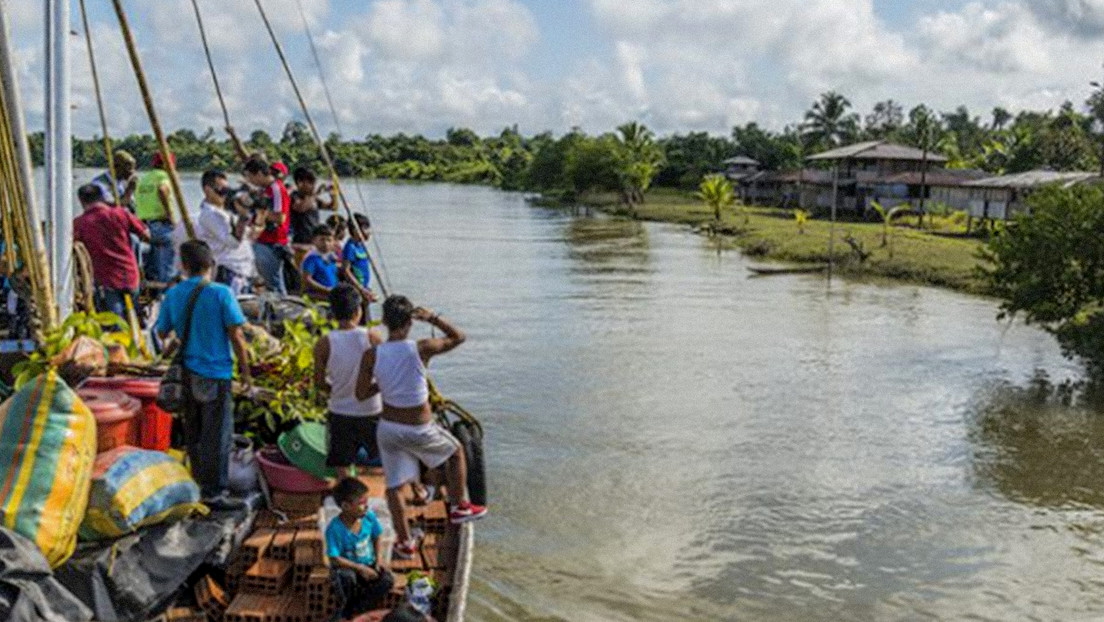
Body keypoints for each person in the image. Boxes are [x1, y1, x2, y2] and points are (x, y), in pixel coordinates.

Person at [355, 295, 486, 560]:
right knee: (457, 452)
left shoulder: (373, 354)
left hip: (389, 429)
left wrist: (385, 382)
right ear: (409, 323)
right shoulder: (421, 348)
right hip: (419, 428)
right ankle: (459, 506)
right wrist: (433, 318)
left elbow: (361, 393)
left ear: (386, 322)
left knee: (393, 487)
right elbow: (458, 337)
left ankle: (404, 543)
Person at [155, 240, 251, 508]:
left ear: (183, 266)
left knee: (193, 431)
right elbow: (237, 336)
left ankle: (196, 484)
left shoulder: (173, 294)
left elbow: (162, 332)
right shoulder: (222, 293)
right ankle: (215, 492)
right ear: (211, 264)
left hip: (188, 372)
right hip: (217, 372)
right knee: (218, 434)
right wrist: (246, 374)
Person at [314, 285, 383, 477]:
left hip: (340, 412)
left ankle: (349, 500)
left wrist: (338, 392)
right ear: (357, 311)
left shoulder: (324, 343)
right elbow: (387, 372)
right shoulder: (372, 337)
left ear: (333, 313)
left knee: (342, 465)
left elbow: (319, 382)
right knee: (387, 459)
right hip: (371, 410)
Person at [72, 183, 150, 319]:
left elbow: (74, 248)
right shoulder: (120, 214)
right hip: (130, 275)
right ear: (102, 198)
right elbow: (146, 235)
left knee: (115, 323)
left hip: (106, 280)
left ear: (81, 201)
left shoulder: (80, 223)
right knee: (133, 319)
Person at [326, 477, 394, 618]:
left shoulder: (368, 517)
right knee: (346, 578)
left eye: (366, 502)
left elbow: (377, 535)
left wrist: (378, 559)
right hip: (349, 568)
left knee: (387, 580)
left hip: (368, 564)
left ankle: (356, 609)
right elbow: (334, 559)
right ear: (345, 506)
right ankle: (348, 609)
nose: (366, 507)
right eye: (362, 504)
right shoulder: (334, 528)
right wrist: (360, 569)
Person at [196, 169, 256, 296]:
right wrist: (243, 216)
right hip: (229, 272)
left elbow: (251, 235)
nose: (224, 195)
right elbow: (233, 243)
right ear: (207, 190)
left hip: (243, 272)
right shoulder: (208, 215)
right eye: (221, 190)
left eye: (226, 190)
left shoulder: (226, 212)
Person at [244, 157, 292, 294]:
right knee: (270, 282)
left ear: (259, 174)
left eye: (250, 177)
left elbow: (280, 217)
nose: (250, 181)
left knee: (274, 284)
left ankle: (281, 311)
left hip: (272, 242)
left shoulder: (276, 189)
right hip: (264, 240)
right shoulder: (266, 189)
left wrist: (258, 211)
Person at [135, 151, 178, 285]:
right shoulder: (164, 176)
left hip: (144, 227)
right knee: (167, 271)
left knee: (152, 267)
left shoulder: (144, 179)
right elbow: (162, 190)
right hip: (161, 225)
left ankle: (152, 293)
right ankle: (166, 295)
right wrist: (172, 218)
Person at [342, 214, 378, 321]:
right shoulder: (350, 247)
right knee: (358, 317)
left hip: (364, 287)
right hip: (356, 289)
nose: (368, 232)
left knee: (367, 317)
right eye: (365, 228)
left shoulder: (361, 246)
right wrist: (360, 288)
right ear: (355, 230)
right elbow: (346, 270)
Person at [290, 167, 334, 248]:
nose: (313, 186)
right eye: (311, 182)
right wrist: (316, 194)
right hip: (301, 242)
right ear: (300, 182)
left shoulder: (313, 199)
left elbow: (331, 207)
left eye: (314, 182)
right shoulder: (294, 196)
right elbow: (301, 208)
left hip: (313, 241)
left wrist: (333, 196)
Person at [301, 224, 339, 299]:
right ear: (314, 241)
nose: (326, 243)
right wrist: (325, 289)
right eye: (322, 240)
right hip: (317, 296)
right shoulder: (312, 259)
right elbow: (307, 279)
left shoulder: (331, 258)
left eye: (329, 240)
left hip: (331, 295)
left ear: (333, 242)